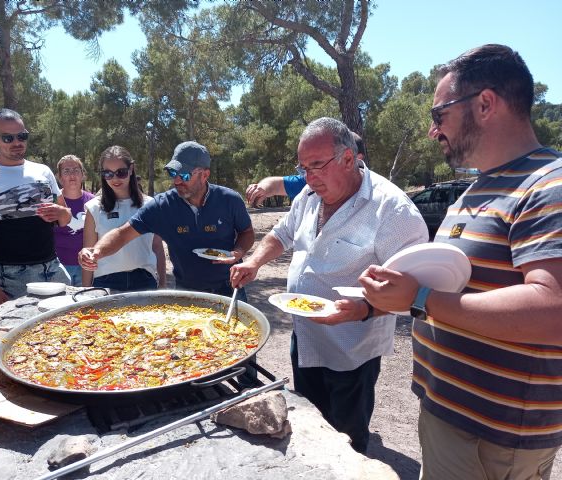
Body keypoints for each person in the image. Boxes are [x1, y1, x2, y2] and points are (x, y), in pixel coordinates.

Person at [359, 44, 562, 479]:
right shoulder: (475, 189)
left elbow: (553, 310)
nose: (433, 131)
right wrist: (388, 297)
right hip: (451, 415)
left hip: (494, 436)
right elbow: (462, 290)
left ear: (485, 104)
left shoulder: (549, 184)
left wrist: (422, 298)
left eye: (439, 115)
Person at [230, 117, 428, 454]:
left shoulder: (392, 210)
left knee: (347, 437)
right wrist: (254, 262)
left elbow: (416, 290)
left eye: (317, 166)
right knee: (312, 422)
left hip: (352, 347)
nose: (309, 178)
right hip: (306, 337)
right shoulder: (309, 195)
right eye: (304, 167)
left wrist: (365, 309)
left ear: (349, 159)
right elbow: (282, 233)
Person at [79, 140, 254, 300]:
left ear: (205, 175)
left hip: (231, 288)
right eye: (173, 172)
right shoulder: (162, 206)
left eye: (184, 175)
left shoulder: (229, 200)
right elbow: (122, 234)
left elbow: (246, 232)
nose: (176, 180)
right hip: (187, 292)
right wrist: (96, 252)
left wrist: (238, 251)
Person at [0, 108, 72, 306]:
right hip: (11, 276)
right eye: (8, 138)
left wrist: (62, 213)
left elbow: (64, 219)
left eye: (22, 136)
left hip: (53, 267)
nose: (17, 143)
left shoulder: (43, 171)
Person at [82, 146, 166, 291]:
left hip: (144, 281)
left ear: (131, 169)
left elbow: (158, 248)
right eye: (108, 173)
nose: (115, 178)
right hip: (106, 283)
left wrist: (163, 285)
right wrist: (85, 290)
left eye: (121, 172)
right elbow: (88, 253)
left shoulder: (150, 205)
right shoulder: (93, 208)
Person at [245, 132, 366, 207]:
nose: (311, 176)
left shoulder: (379, 198)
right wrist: (261, 188)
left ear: (353, 159)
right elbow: (275, 184)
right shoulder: (312, 185)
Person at [53, 155, 95, 286]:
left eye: (76, 170)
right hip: (58, 267)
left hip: (87, 268)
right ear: (59, 177)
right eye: (66, 171)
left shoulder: (94, 202)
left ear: (83, 175)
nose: (72, 174)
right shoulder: (52, 202)